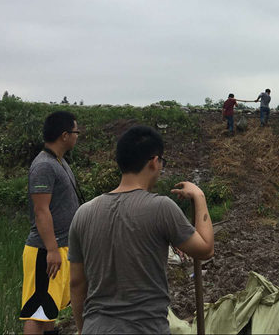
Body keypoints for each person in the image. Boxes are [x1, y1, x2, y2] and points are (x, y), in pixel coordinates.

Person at [68, 126, 214, 334]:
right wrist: (199, 196)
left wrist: (85, 330)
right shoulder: (161, 208)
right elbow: (205, 249)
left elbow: (76, 284)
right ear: (154, 162)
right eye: (162, 162)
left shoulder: (83, 213)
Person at [20, 111, 83, 335]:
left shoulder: (59, 162)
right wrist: (52, 249)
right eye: (76, 131)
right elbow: (41, 210)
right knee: (37, 311)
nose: (77, 136)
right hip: (44, 250)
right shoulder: (44, 166)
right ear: (65, 135)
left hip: (60, 247)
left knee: (49, 309)